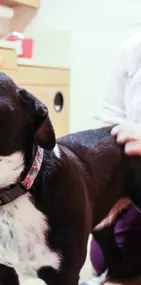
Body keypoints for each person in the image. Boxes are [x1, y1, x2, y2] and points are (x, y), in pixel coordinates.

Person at [90, 32, 141, 281]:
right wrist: (113, 190)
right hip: (135, 169)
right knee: (104, 258)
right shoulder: (133, 48)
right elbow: (112, 119)